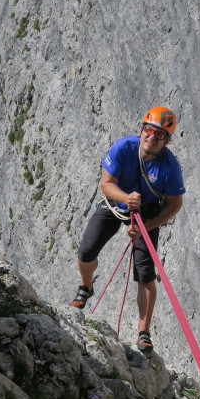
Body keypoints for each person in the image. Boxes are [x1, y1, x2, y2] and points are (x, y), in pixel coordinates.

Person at [71, 106, 186, 353]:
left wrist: (146, 227)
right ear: (141, 129)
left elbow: (175, 204)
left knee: (145, 274)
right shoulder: (123, 148)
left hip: (148, 215)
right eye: (149, 130)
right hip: (115, 205)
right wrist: (126, 197)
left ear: (167, 140)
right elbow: (106, 184)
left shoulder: (170, 167)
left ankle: (143, 331)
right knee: (86, 251)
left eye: (160, 135)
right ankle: (86, 286)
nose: (152, 137)